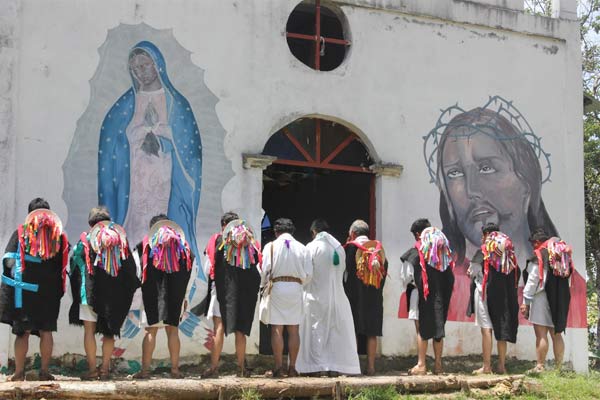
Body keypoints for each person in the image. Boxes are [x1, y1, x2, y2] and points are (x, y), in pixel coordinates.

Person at [98, 40, 202, 257]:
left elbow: (188, 146)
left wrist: (163, 138)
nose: (140, 73)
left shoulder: (176, 102)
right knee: (136, 220)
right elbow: (113, 138)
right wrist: (139, 136)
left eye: (144, 65)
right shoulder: (127, 103)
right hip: (135, 176)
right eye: (135, 69)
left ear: (157, 64)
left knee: (161, 219)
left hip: (165, 172)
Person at [0, 198, 69, 381]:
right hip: (49, 293)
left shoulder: (22, 233)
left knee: (23, 332)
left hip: (24, 294)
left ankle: (18, 373)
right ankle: (45, 372)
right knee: (46, 331)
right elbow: (62, 264)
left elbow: (8, 260)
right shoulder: (59, 235)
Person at [69, 206, 139, 380]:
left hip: (90, 294)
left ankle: (92, 371)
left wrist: (78, 292)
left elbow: (74, 267)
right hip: (113, 298)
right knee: (109, 333)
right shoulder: (121, 241)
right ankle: (105, 370)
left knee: (89, 332)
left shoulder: (85, 241)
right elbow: (131, 269)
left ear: (90, 223)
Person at [198, 212, 262, 378]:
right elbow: (259, 268)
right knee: (240, 330)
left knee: (219, 327)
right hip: (244, 293)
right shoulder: (250, 242)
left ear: (223, 225)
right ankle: (241, 369)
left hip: (222, 291)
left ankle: (214, 368)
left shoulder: (217, 240)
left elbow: (208, 268)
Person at [133, 215, 194, 379]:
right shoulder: (184, 249)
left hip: (152, 297)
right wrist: (185, 295)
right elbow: (191, 273)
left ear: (152, 229)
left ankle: (145, 371)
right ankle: (175, 370)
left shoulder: (144, 247)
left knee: (150, 332)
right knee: (173, 331)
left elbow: (138, 273)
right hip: (176, 297)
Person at [296, 219, 360, 376]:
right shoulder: (339, 248)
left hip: (316, 296)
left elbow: (307, 275)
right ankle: (335, 367)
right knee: (335, 333)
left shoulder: (311, 247)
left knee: (316, 331)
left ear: (313, 232)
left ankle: (317, 368)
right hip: (338, 298)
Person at [399, 219, 454, 375]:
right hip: (440, 297)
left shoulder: (415, 252)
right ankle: (438, 365)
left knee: (421, 329)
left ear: (418, 234)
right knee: (438, 327)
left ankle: (421, 365)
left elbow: (406, 278)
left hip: (420, 295)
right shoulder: (444, 253)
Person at [260, 218, 312, 378]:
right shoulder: (303, 248)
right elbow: (309, 274)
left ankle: (278, 367)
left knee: (277, 328)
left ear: (276, 232)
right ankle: (292, 367)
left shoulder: (270, 247)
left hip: (277, 287)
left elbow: (264, 271)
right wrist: (299, 282)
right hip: (296, 288)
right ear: (292, 231)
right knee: (294, 329)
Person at [467, 222, 520, 374]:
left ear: (486, 235)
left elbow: (472, 271)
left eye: (482, 235)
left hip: (484, 294)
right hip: (503, 296)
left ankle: (486, 366)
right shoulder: (510, 254)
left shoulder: (482, 252)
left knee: (487, 329)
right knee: (501, 328)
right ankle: (502, 366)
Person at [521, 228, 573, 373]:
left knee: (541, 334)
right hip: (559, 297)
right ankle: (558, 368)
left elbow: (533, 280)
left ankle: (540, 366)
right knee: (557, 334)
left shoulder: (541, 254)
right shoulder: (560, 254)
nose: (533, 246)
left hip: (542, 298)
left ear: (538, 242)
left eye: (533, 244)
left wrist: (526, 301)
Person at [344, 219, 388, 376]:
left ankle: (354, 367)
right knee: (372, 332)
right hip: (374, 298)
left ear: (353, 233)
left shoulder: (350, 248)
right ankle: (370, 367)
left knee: (353, 331)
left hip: (354, 298)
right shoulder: (378, 250)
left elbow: (345, 273)